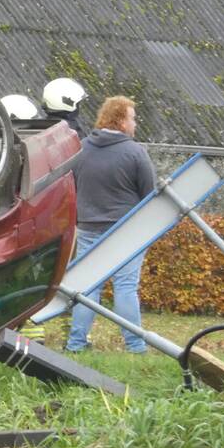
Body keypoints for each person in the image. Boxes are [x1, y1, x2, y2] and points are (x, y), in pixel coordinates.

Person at [65, 96, 156, 353]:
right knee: (125, 286)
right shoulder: (135, 152)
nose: (135, 123)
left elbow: (72, 187)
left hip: (88, 228)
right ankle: (135, 347)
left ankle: (76, 344)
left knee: (87, 288)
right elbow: (149, 195)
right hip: (125, 230)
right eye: (132, 118)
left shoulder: (81, 149)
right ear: (121, 120)